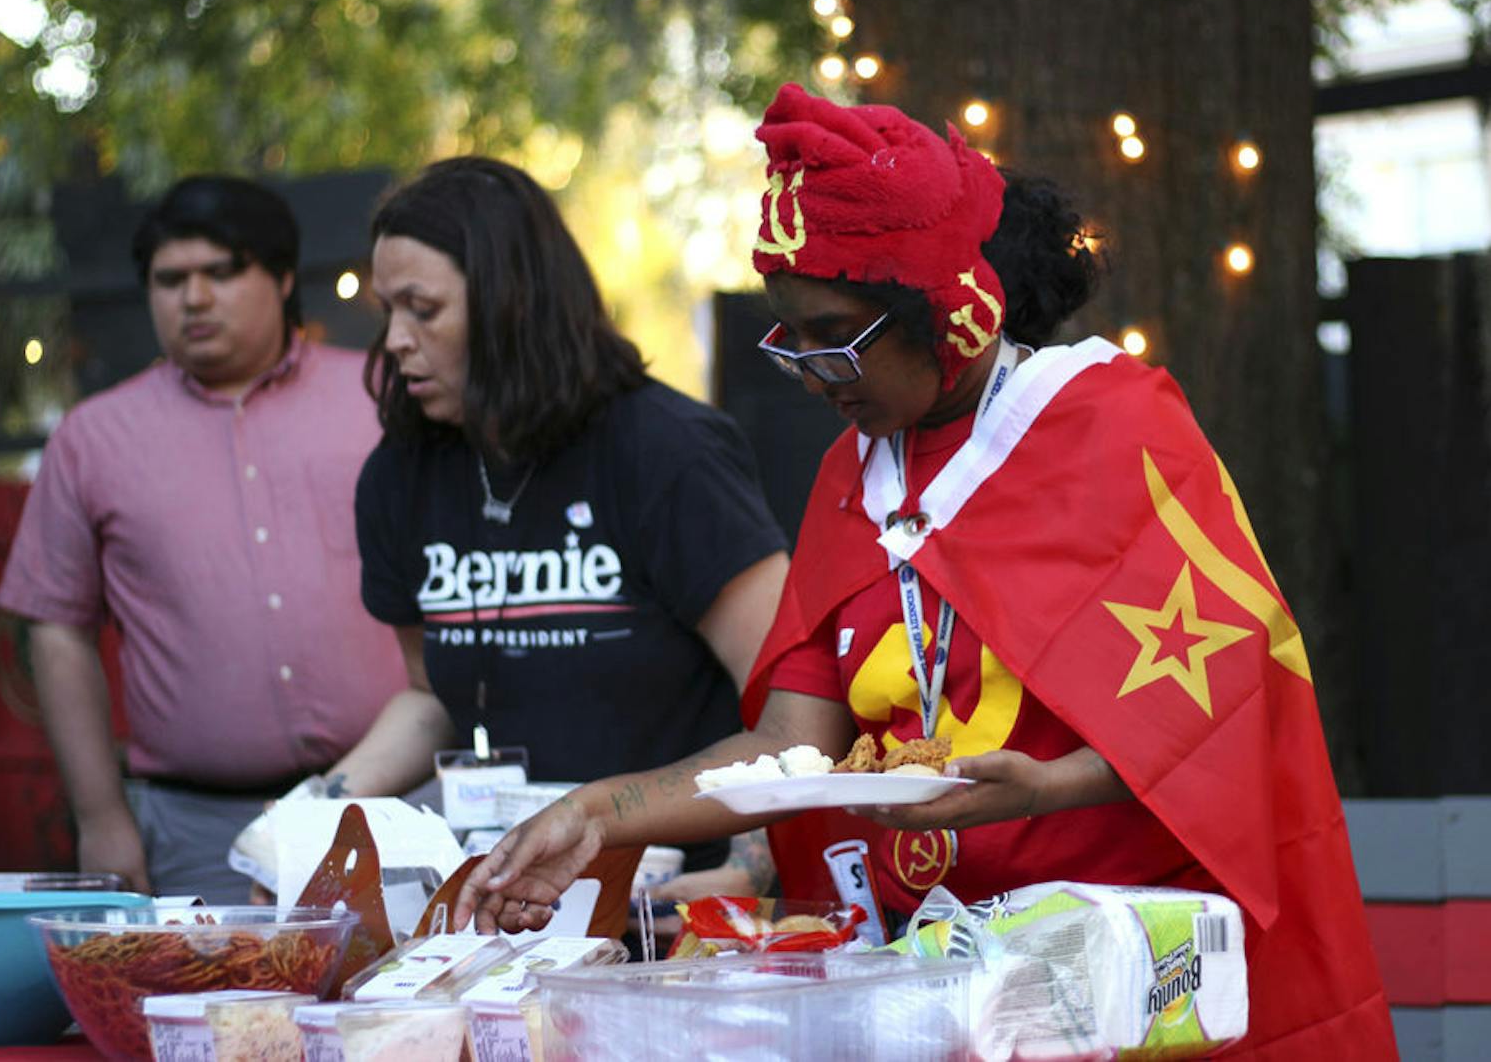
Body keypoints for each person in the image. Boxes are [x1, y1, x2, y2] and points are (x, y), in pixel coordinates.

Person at [453, 84, 1396, 1058]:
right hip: (937, 982)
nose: (815, 372)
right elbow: (790, 747)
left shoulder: (1116, 428)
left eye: (838, 336)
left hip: (1132, 983)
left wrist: (1044, 788)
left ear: (947, 312)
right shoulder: (846, 477)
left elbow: (1230, 705)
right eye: (792, 339)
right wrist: (597, 813)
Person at [319, 157, 790, 927]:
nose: (396, 341)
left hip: (676, 903)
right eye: (387, 310)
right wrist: (306, 820)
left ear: (513, 306)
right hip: (513, 903)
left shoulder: (668, 452)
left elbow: (788, 707)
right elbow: (430, 696)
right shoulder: (402, 476)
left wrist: (744, 868)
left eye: (424, 309)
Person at [0, 176, 406, 902]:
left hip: (392, 806)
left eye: (221, 272)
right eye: (170, 279)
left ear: (282, 277)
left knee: (408, 1013)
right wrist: (101, 816)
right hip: (195, 833)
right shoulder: (94, 438)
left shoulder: (380, 399)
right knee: (215, 1016)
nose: (194, 298)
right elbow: (56, 629)